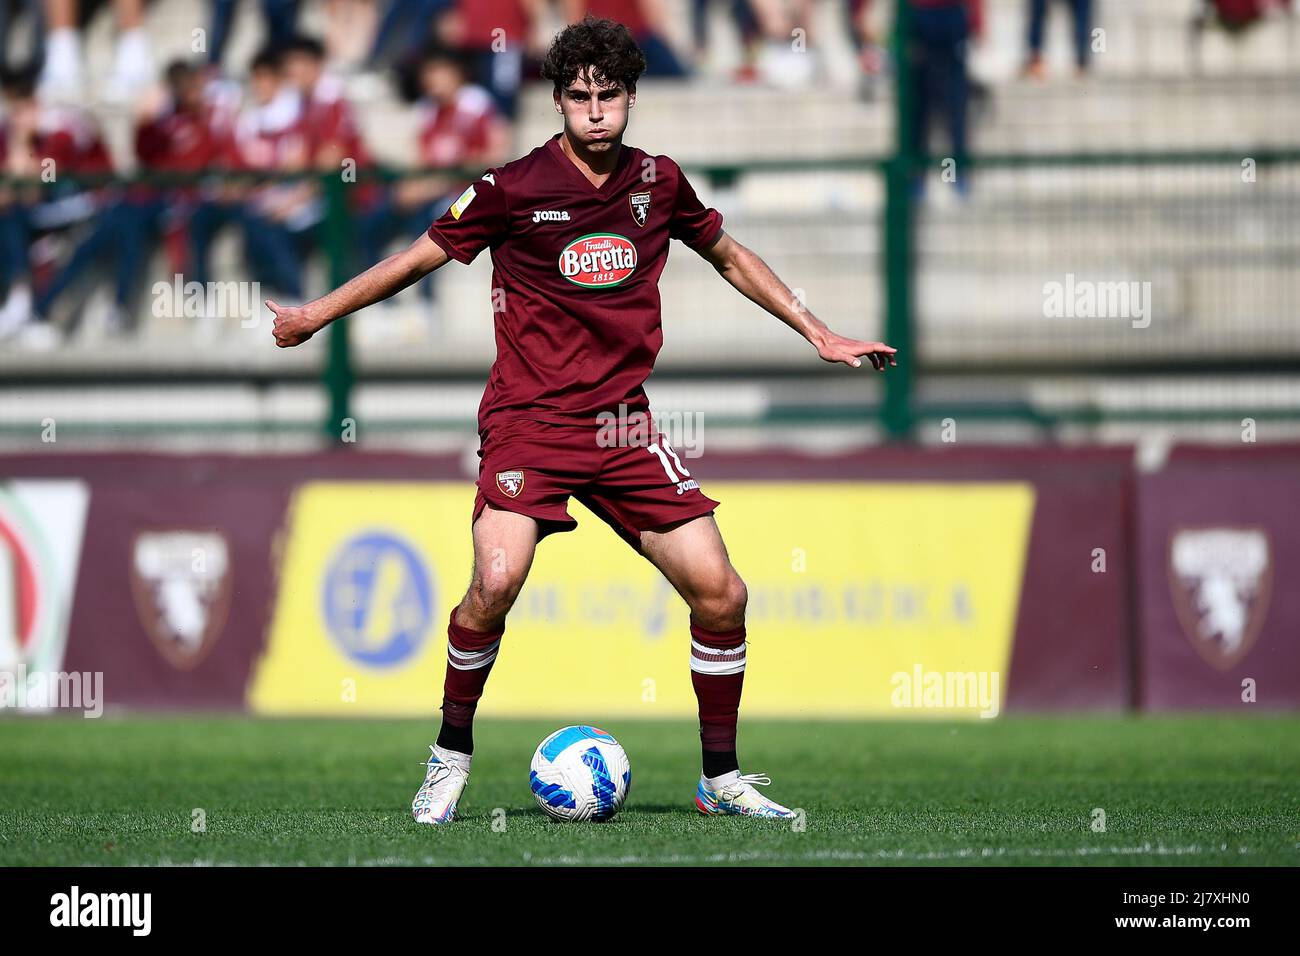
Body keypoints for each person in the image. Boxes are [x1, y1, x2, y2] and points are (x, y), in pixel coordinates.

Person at [267, 17, 896, 824]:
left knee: (723, 593)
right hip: (529, 424)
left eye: (609, 96)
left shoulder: (658, 182)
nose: (594, 111)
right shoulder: (510, 189)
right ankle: (449, 758)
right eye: (578, 97)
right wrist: (316, 315)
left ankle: (721, 779)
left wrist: (820, 332)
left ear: (632, 97)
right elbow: (417, 257)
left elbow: (731, 256)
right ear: (558, 102)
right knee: (495, 583)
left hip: (624, 429)